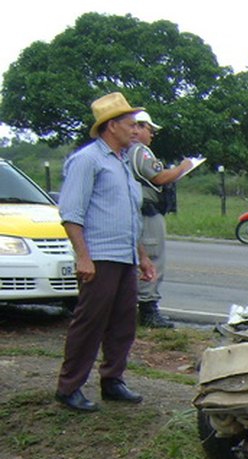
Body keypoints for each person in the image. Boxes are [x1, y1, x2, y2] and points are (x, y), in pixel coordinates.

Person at [54, 92, 156, 412]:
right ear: (111, 126)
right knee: (90, 322)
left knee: (124, 322)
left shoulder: (123, 162)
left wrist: (142, 255)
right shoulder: (88, 160)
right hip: (99, 256)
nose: (136, 130)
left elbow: (128, 214)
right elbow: (71, 213)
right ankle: (69, 387)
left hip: (124, 254)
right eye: (130, 124)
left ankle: (113, 380)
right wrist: (83, 257)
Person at [130, 110, 195, 328]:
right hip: (146, 211)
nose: (152, 135)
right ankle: (148, 308)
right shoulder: (140, 151)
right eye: (150, 129)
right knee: (152, 255)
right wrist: (183, 167)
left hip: (137, 210)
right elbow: (159, 177)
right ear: (137, 128)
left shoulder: (123, 152)